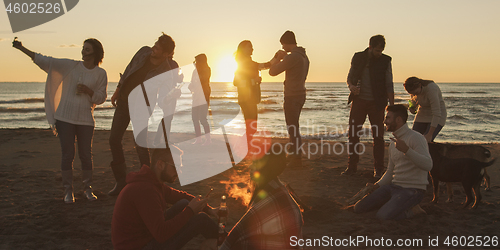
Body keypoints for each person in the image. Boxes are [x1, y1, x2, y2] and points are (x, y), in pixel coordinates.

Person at [13, 38, 107, 203]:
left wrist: (88, 91)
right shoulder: (70, 66)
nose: (83, 52)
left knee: (86, 155)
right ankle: (68, 191)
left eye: (87, 49)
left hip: (85, 119)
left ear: (95, 53)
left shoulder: (101, 74)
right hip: (64, 117)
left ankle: (87, 189)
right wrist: (22, 49)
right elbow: (45, 61)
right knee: (67, 154)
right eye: (83, 49)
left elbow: (101, 98)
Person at [108, 33, 181, 196]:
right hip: (124, 102)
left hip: (142, 107)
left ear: (166, 54)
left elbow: (163, 99)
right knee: (114, 139)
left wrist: (170, 98)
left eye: (158, 48)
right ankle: (120, 181)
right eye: (155, 44)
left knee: (140, 145)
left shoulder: (167, 72)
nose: (154, 48)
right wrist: (118, 90)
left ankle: (150, 182)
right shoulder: (143, 52)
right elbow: (128, 70)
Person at [111, 147, 219, 250]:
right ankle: (229, 243)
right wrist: (190, 211)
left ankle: (222, 242)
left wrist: (209, 209)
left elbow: (181, 196)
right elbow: (161, 234)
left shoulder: (152, 182)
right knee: (200, 220)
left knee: (184, 203)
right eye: (175, 167)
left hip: (146, 237)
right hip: (140, 247)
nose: (179, 172)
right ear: (160, 164)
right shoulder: (145, 190)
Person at [353, 104, 432, 220]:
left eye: (388, 118)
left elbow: (428, 165)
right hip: (393, 187)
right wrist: (377, 185)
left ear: (398, 119)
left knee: (383, 216)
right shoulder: (393, 143)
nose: (385, 121)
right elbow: (390, 172)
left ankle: (414, 210)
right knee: (358, 208)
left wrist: (407, 150)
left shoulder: (416, 138)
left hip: (412, 190)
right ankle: (393, 205)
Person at [220, 151, 303, 249]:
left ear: (266, 169)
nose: (250, 167)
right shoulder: (277, 190)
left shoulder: (268, 201)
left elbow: (235, 236)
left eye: (255, 163)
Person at [343, 34, 394, 178]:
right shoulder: (358, 57)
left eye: (381, 51)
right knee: (353, 134)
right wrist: (351, 87)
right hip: (358, 101)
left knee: (378, 136)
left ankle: (378, 169)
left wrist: (391, 105)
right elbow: (349, 77)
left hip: (377, 103)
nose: (379, 54)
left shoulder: (386, 61)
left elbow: (389, 83)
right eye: (377, 50)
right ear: (370, 47)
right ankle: (351, 166)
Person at [269, 31, 310, 168]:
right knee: (294, 127)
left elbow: (272, 72)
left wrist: (278, 58)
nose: (283, 47)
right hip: (300, 94)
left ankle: (296, 159)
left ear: (287, 43)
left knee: (292, 128)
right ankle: (293, 155)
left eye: (283, 44)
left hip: (292, 95)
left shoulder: (292, 57)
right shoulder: (304, 57)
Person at [234, 41, 280, 150]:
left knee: (252, 126)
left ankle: (244, 145)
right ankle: (244, 146)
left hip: (251, 98)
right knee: (251, 126)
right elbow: (236, 82)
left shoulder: (250, 62)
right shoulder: (242, 63)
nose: (252, 49)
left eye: (252, 47)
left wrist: (276, 58)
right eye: (250, 47)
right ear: (243, 49)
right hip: (246, 99)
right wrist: (253, 81)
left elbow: (265, 65)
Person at [404, 76, 446, 142]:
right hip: (422, 114)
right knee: (413, 139)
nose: (414, 94)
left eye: (415, 92)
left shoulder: (431, 89)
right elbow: (414, 101)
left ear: (420, 85)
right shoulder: (413, 90)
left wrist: (430, 134)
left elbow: (436, 113)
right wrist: (412, 107)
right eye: (412, 93)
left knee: (425, 141)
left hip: (437, 115)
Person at [189, 54, 212, 145]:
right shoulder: (195, 71)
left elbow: (202, 80)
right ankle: (198, 139)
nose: (195, 63)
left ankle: (208, 139)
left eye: (197, 61)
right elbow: (193, 82)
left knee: (202, 118)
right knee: (194, 118)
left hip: (204, 96)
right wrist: (191, 86)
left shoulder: (206, 70)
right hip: (196, 96)